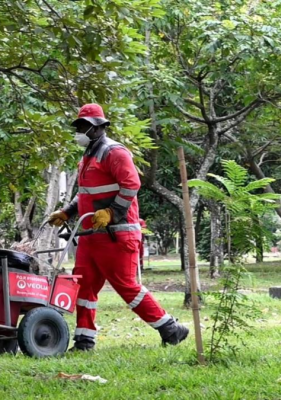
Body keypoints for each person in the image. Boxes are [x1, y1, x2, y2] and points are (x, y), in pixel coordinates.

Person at [48, 103, 189, 350]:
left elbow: (131, 185)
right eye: (78, 126)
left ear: (99, 128)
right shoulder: (88, 156)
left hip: (116, 234)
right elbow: (86, 194)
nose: (79, 131)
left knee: (126, 287)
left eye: (84, 127)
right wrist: (67, 212)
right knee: (84, 287)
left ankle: (170, 328)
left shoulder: (114, 152)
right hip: (91, 234)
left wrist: (112, 212)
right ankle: (84, 341)